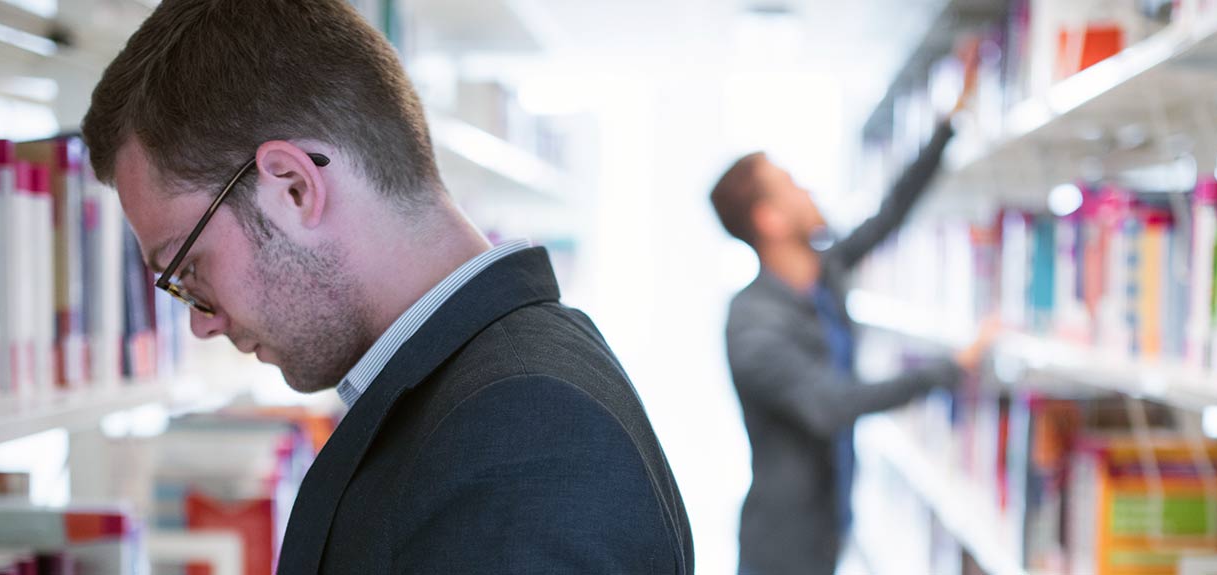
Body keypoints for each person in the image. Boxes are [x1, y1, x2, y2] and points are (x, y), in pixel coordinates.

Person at [81, 0, 692, 572]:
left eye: (187, 267)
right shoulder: (483, 394)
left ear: (294, 187)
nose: (202, 321)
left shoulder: (522, 434)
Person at [712, 62, 994, 575]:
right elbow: (831, 404)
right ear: (769, 219)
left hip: (829, 527)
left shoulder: (822, 274)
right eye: (790, 184)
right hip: (782, 550)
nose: (808, 190)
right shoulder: (751, 325)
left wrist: (946, 128)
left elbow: (888, 216)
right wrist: (947, 369)